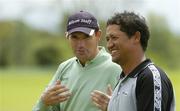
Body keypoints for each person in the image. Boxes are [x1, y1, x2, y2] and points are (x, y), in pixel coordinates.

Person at [32, 10, 121, 111]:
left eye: (86, 37)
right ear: (67, 36)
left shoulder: (117, 68)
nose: (81, 45)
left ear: (98, 35)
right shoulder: (64, 68)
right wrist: (44, 103)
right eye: (74, 37)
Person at [91, 11, 175, 111]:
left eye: (114, 38)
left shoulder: (150, 78)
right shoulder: (122, 79)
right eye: (108, 39)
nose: (109, 45)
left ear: (136, 37)